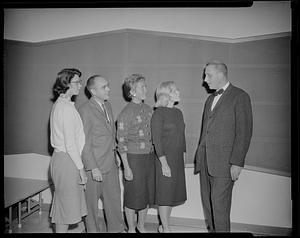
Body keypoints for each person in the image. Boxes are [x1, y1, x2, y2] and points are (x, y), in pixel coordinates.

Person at [194, 61, 253, 232]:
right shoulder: (209, 99)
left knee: (220, 209)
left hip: (225, 163)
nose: (205, 79)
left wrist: (237, 162)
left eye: (208, 75)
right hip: (206, 161)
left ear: (221, 75)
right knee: (209, 206)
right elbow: (206, 131)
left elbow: (244, 132)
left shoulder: (240, 96)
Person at [78, 75, 125, 233]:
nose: (108, 89)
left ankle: (116, 230)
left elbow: (110, 135)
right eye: (104, 87)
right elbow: (84, 142)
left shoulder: (108, 106)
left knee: (114, 203)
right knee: (91, 208)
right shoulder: (84, 110)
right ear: (93, 91)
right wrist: (93, 167)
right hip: (95, 167)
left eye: (108, 85)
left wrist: (116, 155)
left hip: (111, 164)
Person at [49, 68, 88, 233]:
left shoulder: (64, 104)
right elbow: (70, 144)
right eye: (76, 82)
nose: (80, 85)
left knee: (71, 207)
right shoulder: (64, 108)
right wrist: (81, 169)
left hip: (67, 160)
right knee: (65, 210)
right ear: (66, 84)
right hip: (67, 161)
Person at [116, 73, 155, 233]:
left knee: (146, 193)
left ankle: (141, 225)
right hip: (133, 159)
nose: (146, 89)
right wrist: (127, 167)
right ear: (132, 91)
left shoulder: (149, 109)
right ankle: (131, 228)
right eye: (142, 87)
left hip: (149, 157)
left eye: (145, 85)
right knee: (132, 196)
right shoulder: (126, 113)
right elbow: (121, 142)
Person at [151, 81, 187, 233]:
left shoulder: (178, 112)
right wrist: (164, 164)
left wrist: (184, 156)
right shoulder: (158, 113)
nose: (178, 91)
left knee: (171, 194)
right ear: (166, 94)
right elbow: (157, 141)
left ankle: (163, 226)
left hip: (177, 159)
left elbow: (182, 136)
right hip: (163, 160)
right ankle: (166, 228)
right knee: (165, 195)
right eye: (174, 90)